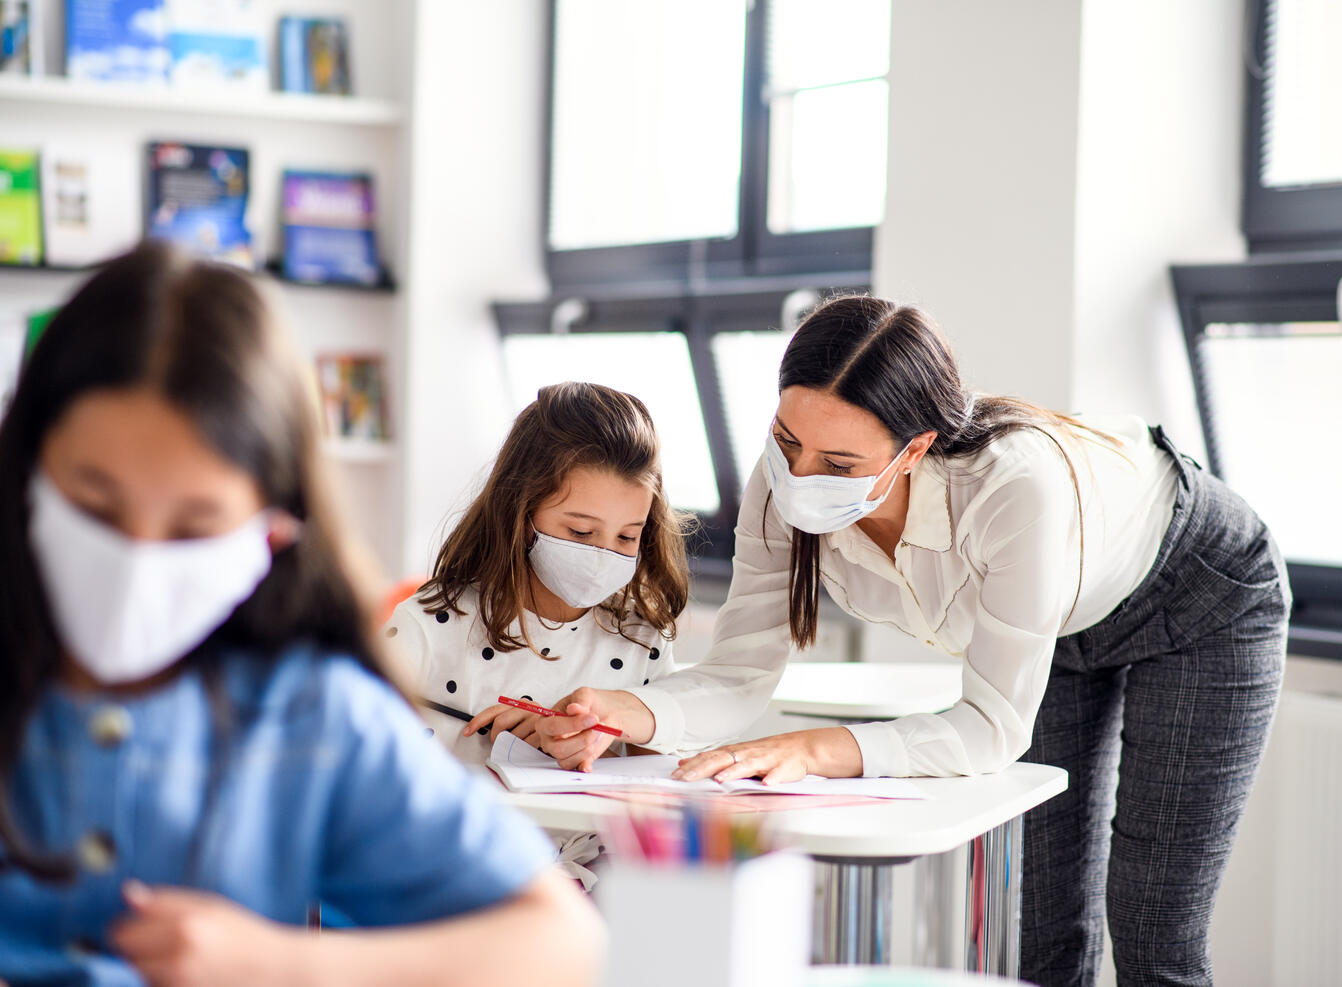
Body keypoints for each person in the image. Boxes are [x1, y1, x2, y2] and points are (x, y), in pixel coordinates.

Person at [535, 296, 1290, 985]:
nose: (799, 476)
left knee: (1155, 926)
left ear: (915, 448)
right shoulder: (779, 485)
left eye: (837, 464)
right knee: (1045, 928)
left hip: (1201, 594)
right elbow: (738, 671)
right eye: (787, 439)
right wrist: (619, 710)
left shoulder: (1015, 488)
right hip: (1061, 628)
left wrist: (816, 748)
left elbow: (991, 727)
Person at [0, 243, 604, 987]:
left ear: (273, 531)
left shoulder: (310, 717)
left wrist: (281, 963)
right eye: (94, 505)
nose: (136, 559)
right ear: (26, 469)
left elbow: (557, 941)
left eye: (194, 527)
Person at [382, 382, 690, 886]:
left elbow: (652, 783)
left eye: (627, 537)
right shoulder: (429, 624)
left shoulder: (641, 636)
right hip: (447, 881)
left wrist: (591, 745)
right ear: (521, 513)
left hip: (591, 887)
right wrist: (498, 753)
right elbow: (362, 775)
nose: (604, 555)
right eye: (580, 533)